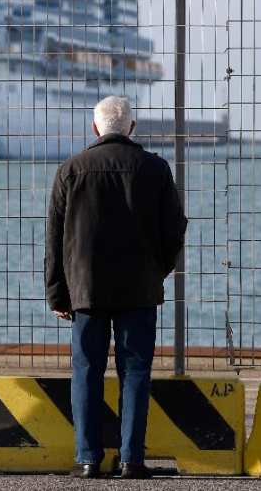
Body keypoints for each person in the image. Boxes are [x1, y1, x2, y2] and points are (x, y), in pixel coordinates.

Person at [44, 96, 187, 479]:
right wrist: (156, 271)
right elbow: (174, 231)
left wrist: (58, 292)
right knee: (136, 371)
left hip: (85, 288)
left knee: (86, 371)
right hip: (139, 288)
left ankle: (87, 459)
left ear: (95, 128)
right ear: (132, 128)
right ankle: (131, 459)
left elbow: (54, 239)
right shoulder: (155, 168)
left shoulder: (71, 169)